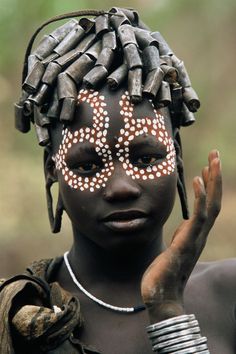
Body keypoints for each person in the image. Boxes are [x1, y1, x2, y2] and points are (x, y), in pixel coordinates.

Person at [0, 7, 235, 354]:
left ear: (176, 154)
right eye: (87, 165)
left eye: (145, 158)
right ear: (53, 169)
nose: (121, 187)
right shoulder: (22, 313)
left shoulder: (229, 294)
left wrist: (167, 307)